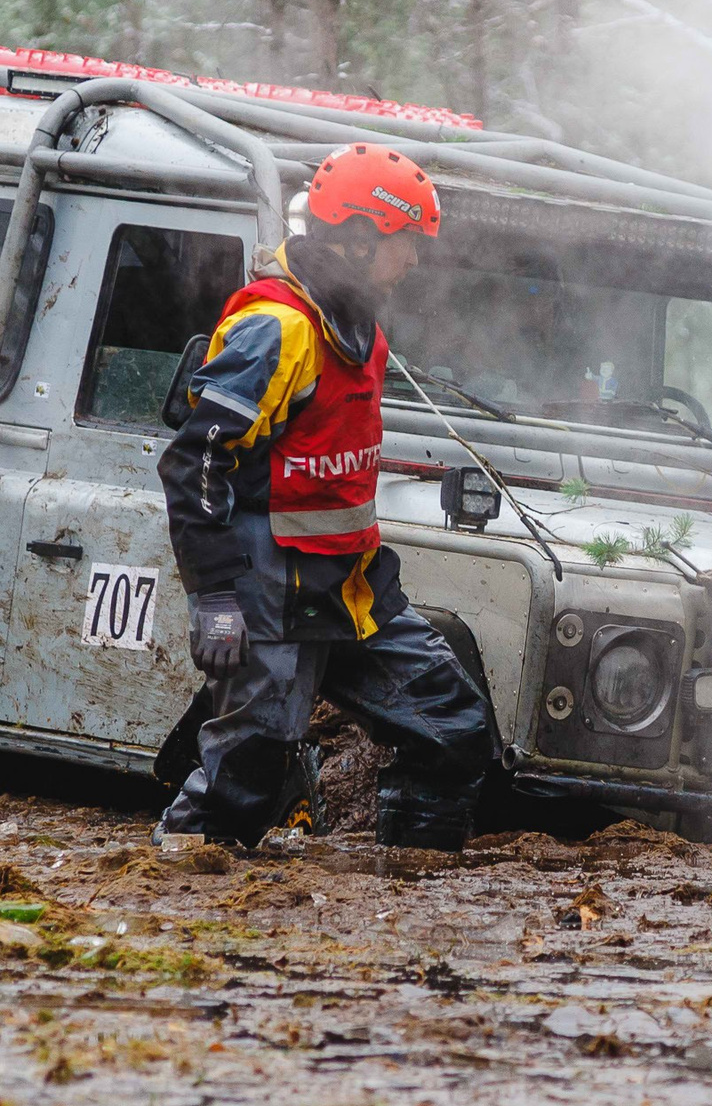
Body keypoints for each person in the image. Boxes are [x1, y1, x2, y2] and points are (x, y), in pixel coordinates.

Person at [153, 143, 497, 852]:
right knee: (247, 777)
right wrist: (215, 603)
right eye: (406, 243)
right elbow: (195, 465)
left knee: (455, 725)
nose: (414, 261)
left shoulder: (358, 326)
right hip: (263, 592)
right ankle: (175, 886)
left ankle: (403, 890)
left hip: (345, 592)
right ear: (361, 236)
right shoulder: (278, 327)